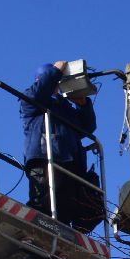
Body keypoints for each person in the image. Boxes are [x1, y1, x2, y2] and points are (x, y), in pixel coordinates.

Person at [19, 61, 105, 233]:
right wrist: (56, 70)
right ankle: (32, 235)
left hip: (71, 163)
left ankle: (61, 242)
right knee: (44, 202)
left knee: (68, 208)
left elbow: (87, 128)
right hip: (44, 158)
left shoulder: (64, 108)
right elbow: (40, 91)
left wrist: (82, 105)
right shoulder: (31, 101)